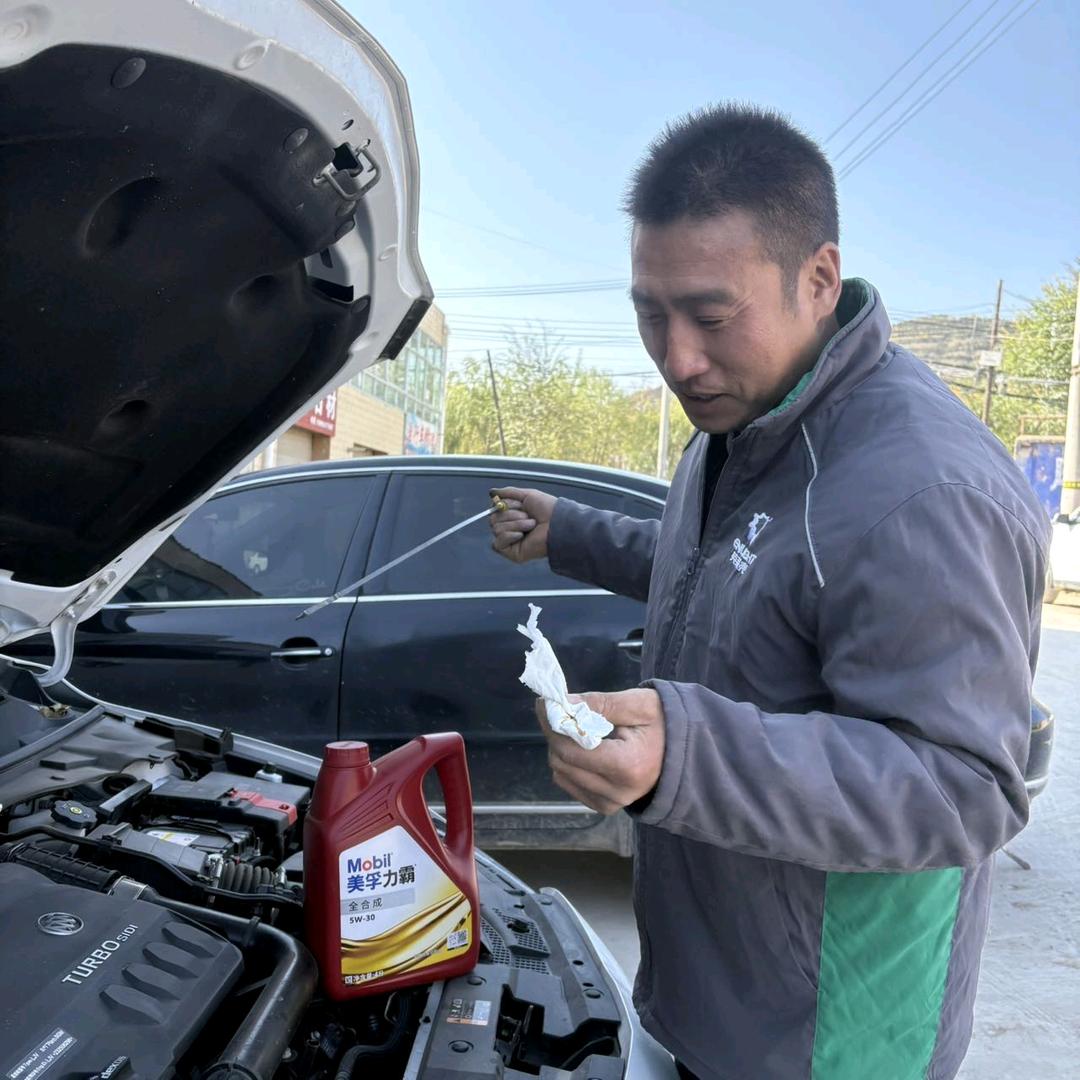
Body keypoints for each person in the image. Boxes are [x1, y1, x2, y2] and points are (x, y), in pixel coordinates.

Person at [488, 105, 1048, 1080]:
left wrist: (687, 759)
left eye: (710, 315)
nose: (676, 358)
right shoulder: (742, 426)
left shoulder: (924, 490)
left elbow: (967, 790)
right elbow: (722, 568)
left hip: (828, 1043)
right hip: (706, 992)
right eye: (648, 313)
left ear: (818, 279)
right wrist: (567, 533)